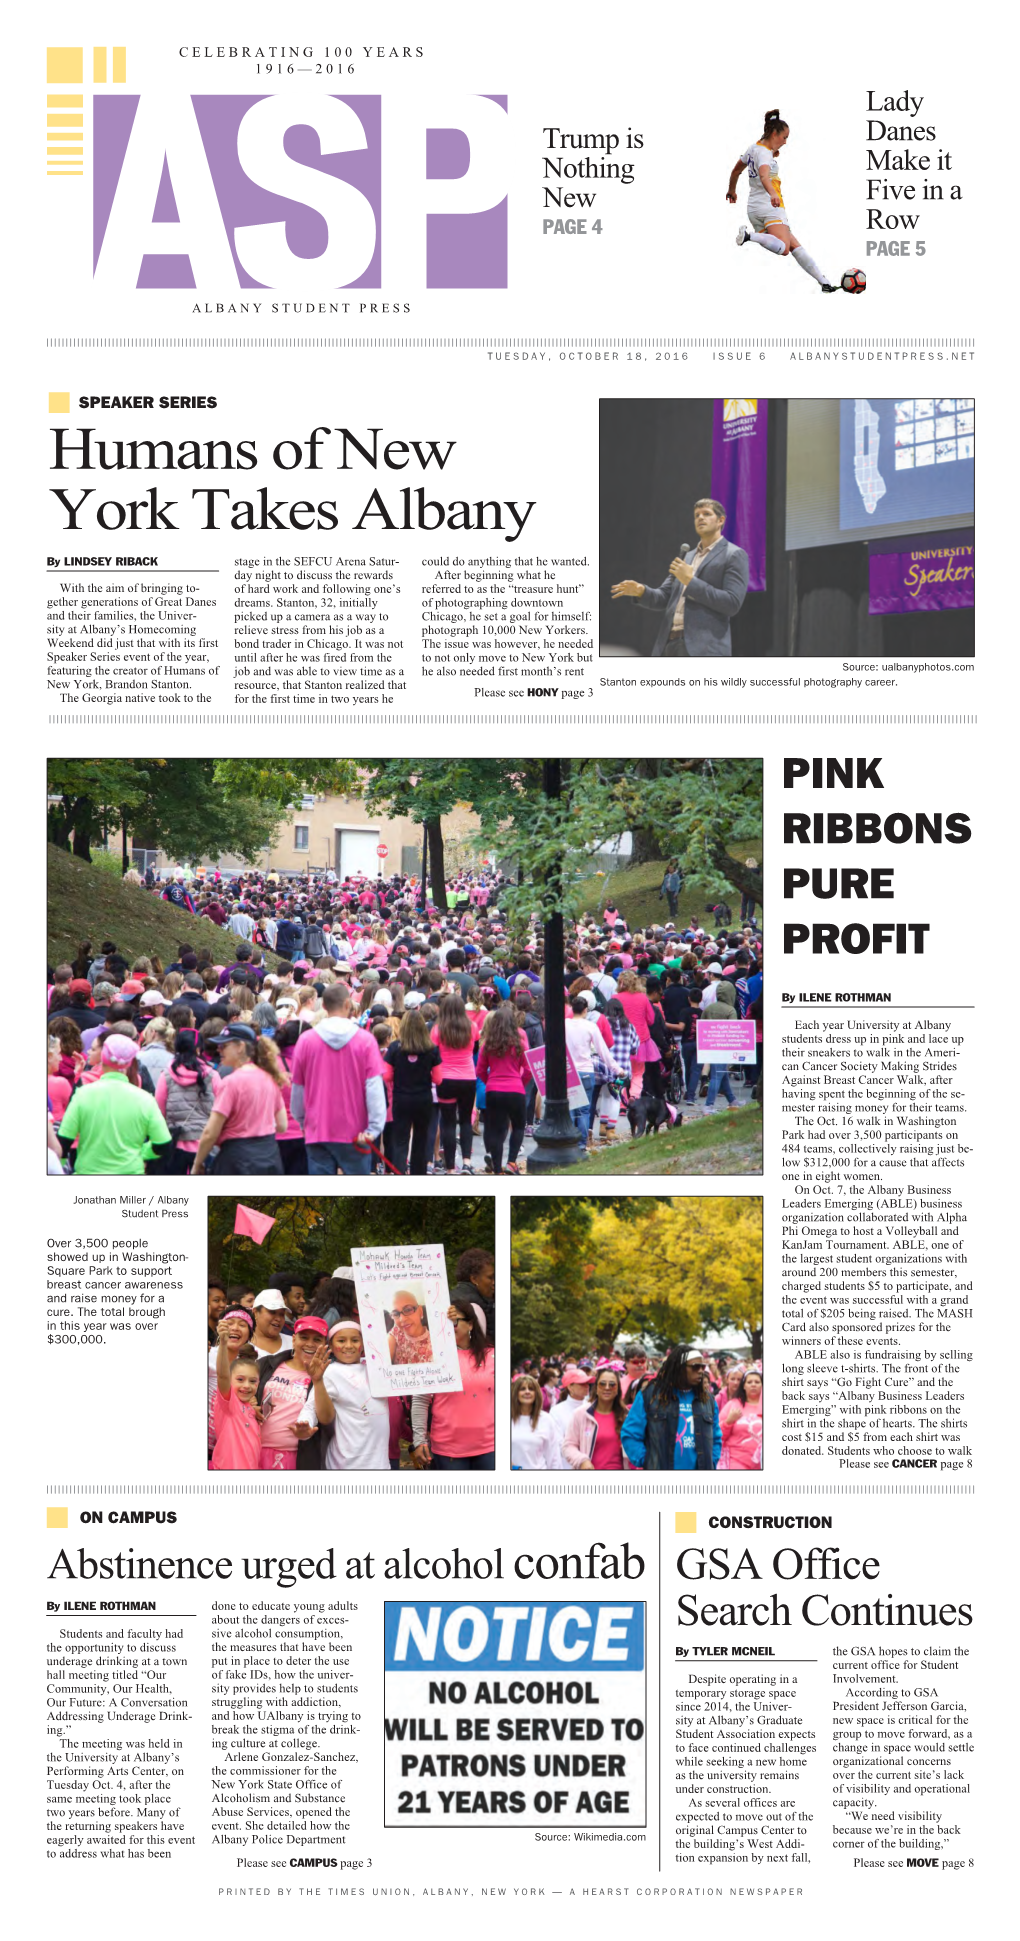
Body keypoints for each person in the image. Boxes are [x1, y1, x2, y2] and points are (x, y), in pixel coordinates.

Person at [610, 500, 750, 660]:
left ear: (721, 520)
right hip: (668, 644)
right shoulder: (686, 557)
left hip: (704, 649)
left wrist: (691, 582)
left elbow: (731, 603)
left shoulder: (733, 555)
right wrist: (642, 591)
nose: (700, 518)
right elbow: (664, 598)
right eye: (697, 515)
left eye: (706, 514)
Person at [728, 111, 839, 291]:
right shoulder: (764, 154)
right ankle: (749, 236)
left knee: (794, 244)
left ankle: (824, 282)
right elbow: (764, 175)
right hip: (771, 206)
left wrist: (731, 190)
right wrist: (772, 193)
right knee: (785, 248)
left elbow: (735, 171)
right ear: (774, 134)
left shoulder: (753, 149)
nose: (785, 142)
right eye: (784, 137)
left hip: (753, 208)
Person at [289, 981, 386, 1177]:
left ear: (323, 1006)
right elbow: (374, 1087)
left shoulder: (306, 1041)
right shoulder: (365, 1041)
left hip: (317, 1130)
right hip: (356, 1133)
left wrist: (302, 1122)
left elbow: (298, 1087)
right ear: (348, 1005)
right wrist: (374, 1129)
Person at [57, 1034, 172, 1175]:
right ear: (129, 1063)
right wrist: (139, 1153)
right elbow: (163, 1144)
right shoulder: (145, 1099)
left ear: (102, 1059)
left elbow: (64, 1142)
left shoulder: (82, 1095)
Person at [410, 1298, 495, 1472]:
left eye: (454, 1321)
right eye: (445, 1322)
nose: (449, 1326)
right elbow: (420, 1400)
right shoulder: (432, 1358)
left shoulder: (493, 1356)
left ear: (470, 1325)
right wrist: (419, 1441)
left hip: (490, 1447)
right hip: (448, 1450)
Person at [191, 1023, 287, 1175]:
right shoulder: (269, 1079)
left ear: (240, 1047)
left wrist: (197, 1164)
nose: (218, 1049)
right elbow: (282, 1125)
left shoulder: (231, 1082)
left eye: (224, 1046)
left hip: (237, 1159)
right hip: (269, 1156)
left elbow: (210, 1132)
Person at [296, 1319, 390, 1471]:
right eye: (341, 1340)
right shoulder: (331, 1372)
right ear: (331, 1346)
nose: (348, 1345)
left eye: (355, 1340)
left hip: (379, 1462)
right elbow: (311, 1406)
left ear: (363, 1344)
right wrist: (304, 1423)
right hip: (346, 1463)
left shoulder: (377, 1368)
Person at [621, 1345, 721, 1471]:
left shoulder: (707, 1399)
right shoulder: (650, 1395)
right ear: (679, 1368)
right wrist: (648, 1460)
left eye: (703, 1367)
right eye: (695, 1366)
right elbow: (630, 1433)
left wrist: (711, 1463)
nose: (701, 1371)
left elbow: (716, 1438)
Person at [255, 1317, 332, 1471]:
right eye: (304, 1337)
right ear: (294, 1339)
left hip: (296, 1457)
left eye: (317, 1339)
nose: (310, 1344)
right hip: (255, 1450)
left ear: (324, 1344)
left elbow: (327, 1418)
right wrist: (251, 1404)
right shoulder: (266, 1363)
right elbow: (241, 1391)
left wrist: (318, 1381)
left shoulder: (329, 1375)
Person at [155, 1026, 221, 1174]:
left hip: (175, 1145)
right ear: (198, 1049)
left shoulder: (166, 1075)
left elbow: (159, 1112)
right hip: (205, 1146)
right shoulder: (213, 1076)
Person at [475, 1004, 530, 1174]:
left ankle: (497, 1168)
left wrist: (490, 1081)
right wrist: (520, 1082)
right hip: (515, 1088)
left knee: (497, 1130)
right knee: (519, 1125)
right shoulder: (520, 1043)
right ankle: (511, 1162)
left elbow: (480, 1071)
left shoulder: (488, 1044)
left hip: (493, 1090)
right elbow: (528, 1069)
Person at [386, 1008, 441, 1175]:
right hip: (423, 1099)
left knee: (400, 1140)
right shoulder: (431, 1049)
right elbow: (438, 1079)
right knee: (421, 1138)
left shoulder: (395, 1047)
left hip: (401, 1098)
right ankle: (419, 1174)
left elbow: (386, 1076)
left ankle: (399, 1172)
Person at [432, 994, 479, 1175]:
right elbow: (473, 1049)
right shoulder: (472, 1027)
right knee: (466, 1121)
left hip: (445, 1079)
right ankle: (467, 1162)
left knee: (448, 1123)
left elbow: (434, 1054)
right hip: (468, 1078)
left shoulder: (437, 1030)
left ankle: (450, 1167)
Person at [209, 1323, 261, 1472]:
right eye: (240, 1379)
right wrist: (224, 1342)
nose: (247, 1385)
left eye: (253, 1381)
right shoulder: (228, 1402)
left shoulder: (251, 1408)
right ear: (230, 1381)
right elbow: (222, 1374)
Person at [561, 1367, 629, 1471]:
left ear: (617, 1390)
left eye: (612, 1384)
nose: (607, 1387)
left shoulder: (626, 1416)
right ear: (596, 1388)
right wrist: (582, 1460)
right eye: (602, 1384)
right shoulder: (581, 1414)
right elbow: (568, 1446)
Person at [547, 1367, 595, 1469]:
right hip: (567, 1466)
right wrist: (578, 1459)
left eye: (588, 1383)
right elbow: (559, 1442)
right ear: (570, 1387)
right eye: (582, 1383)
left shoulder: (592, 1407)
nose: (587, 1386)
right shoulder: (556, 1411)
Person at [510, 1373, 559, 1470]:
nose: (527, 1392)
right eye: (522, 1389)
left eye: (531, 1389)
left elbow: (554, 1457)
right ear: (515, 1393)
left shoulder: (546, 1420)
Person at [719, 1369, 763, 1471]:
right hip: (736, 1461)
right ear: (743, 1386)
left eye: (757, 1382)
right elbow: (717, 1435)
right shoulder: (733, 1405)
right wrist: (728, 1422)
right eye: (749, 1382)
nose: (753, 1385)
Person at [387, 1290, 433, 1364]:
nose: (402, 1319)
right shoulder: (397, 1330)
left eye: (408, 1310)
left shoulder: (434, 1344)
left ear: (420, 1311)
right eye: (395, 1314)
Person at [250, 1289, 293, 1359]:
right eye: (272, 1312)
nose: (278, 1319)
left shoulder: (294, 1344)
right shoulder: (241, 1344)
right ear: (255, 1313)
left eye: (282, 1314)